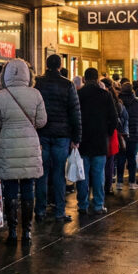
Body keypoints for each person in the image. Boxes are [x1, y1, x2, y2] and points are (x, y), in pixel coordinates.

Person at [0, 59, 47, 243]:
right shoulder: (36, 94)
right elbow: (41, 121)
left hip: (7, 145)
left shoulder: (0, 95)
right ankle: (27, 232)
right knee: (29, 187)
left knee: (11, 188)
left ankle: (13, 232)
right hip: (30, 145)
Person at [33, 54, 81, 222]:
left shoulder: (38, 83)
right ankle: (59, 211)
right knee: (59, 173)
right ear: (60, 66)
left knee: (41, 173)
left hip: (42, 133)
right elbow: (75, 113)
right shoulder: (67, 84)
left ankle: (39, 210)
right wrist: (76, 137)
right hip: (62, 134)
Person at [78, 68, 117, 214]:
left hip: (82, 140)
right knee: (98, 173)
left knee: (83, 174)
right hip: (100, 140)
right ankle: (99, 204)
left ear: (84, 78)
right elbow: (113, 119)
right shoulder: (105, 95)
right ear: (97, 79)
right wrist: (106, 132)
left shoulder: (78, 94)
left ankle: (83, 204)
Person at [117, 83, 138, 187]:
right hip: (134, 133)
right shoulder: (137, 101)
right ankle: (132, 182)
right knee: (132, 158)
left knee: (121, 158)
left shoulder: (117, 100)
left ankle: (119, 182)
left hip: (121, 133)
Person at [101, 78, 127, 194]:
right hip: (111, 134)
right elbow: (120, 118)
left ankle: (105, 185)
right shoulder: (116, 101)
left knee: (103, 161)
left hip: (104, 133)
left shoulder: (103, 97)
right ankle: (108, 185)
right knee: (110, 161)